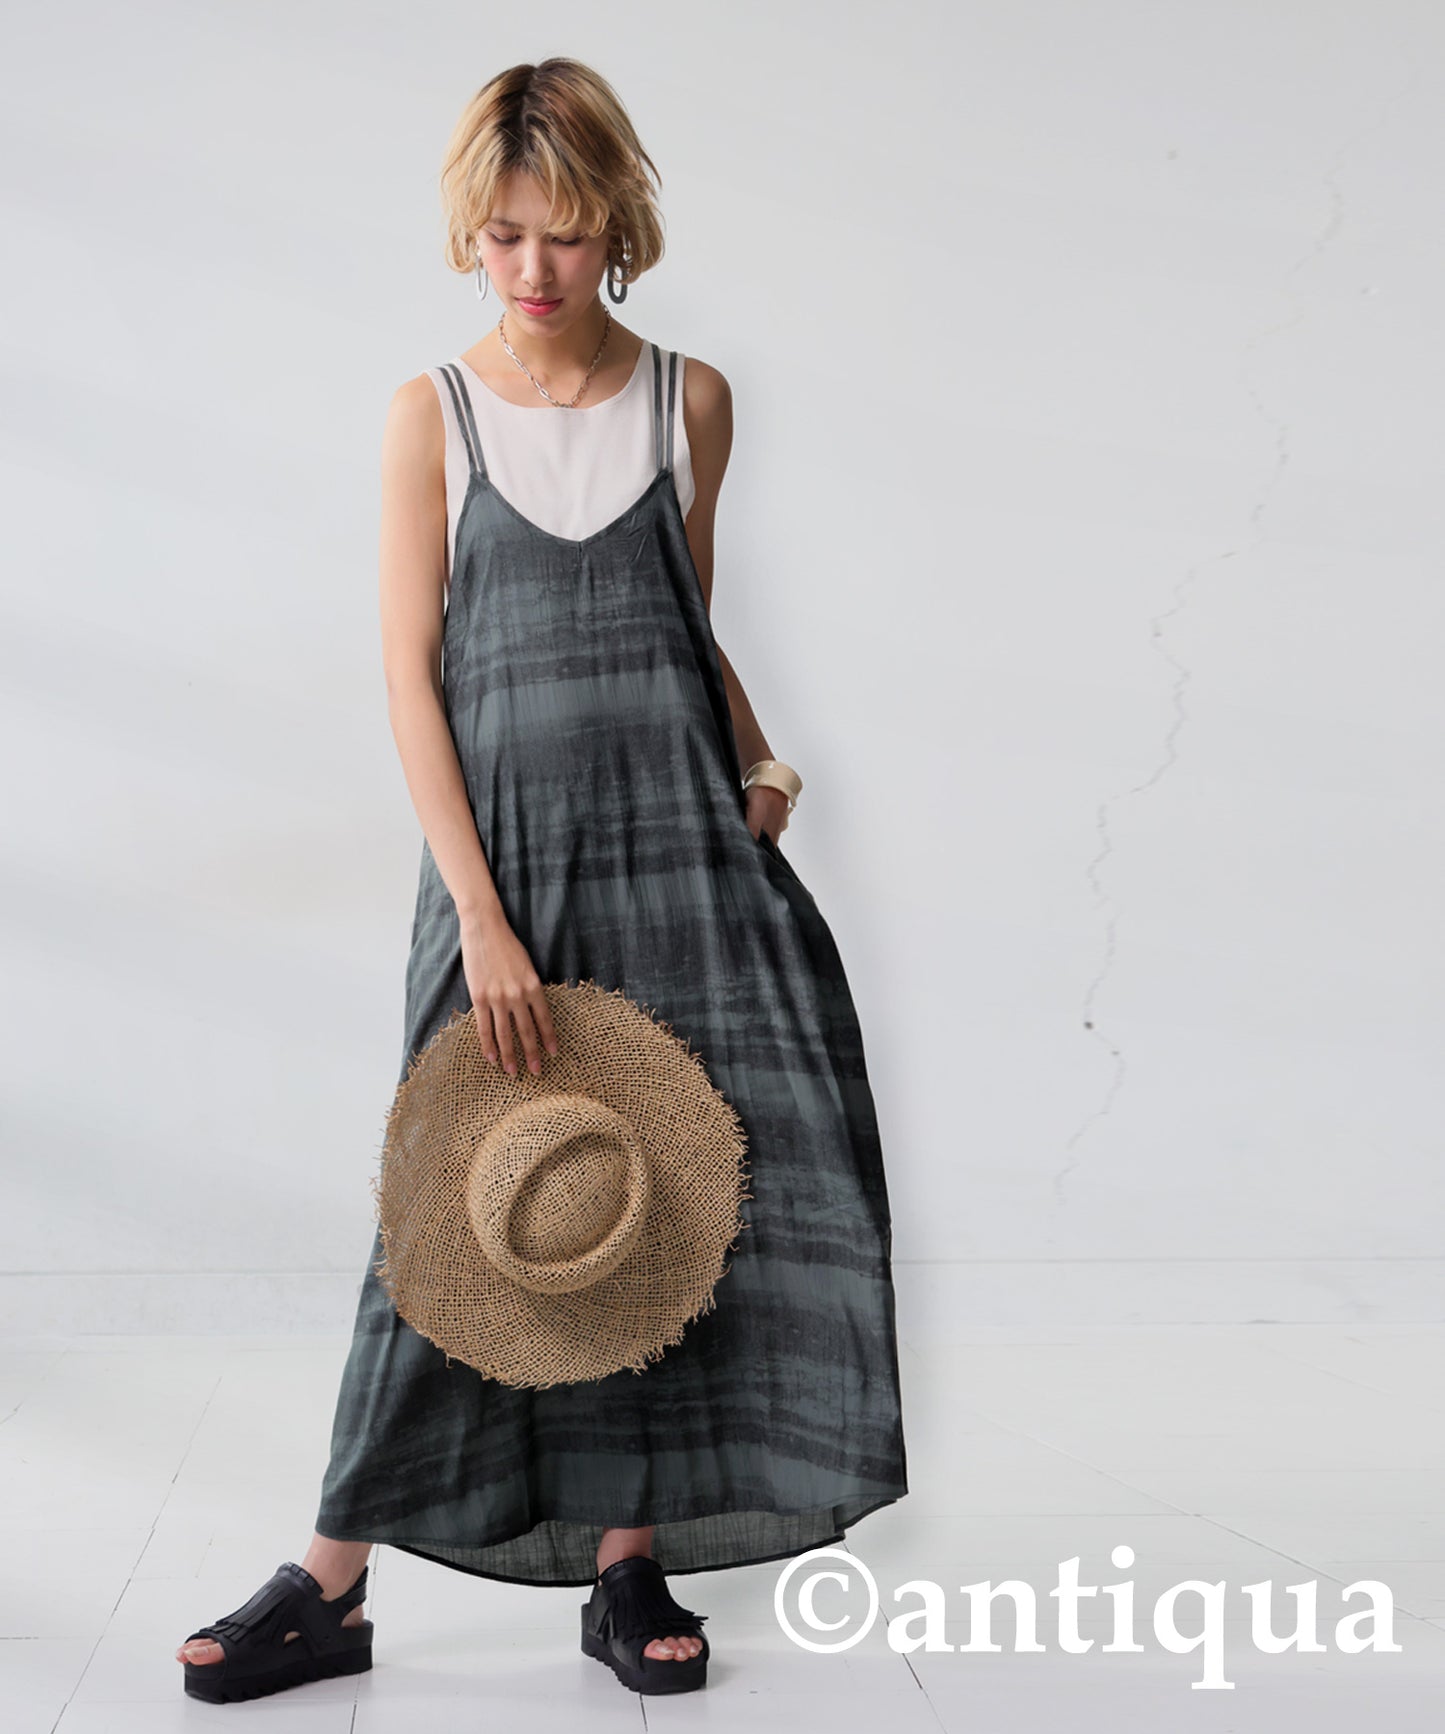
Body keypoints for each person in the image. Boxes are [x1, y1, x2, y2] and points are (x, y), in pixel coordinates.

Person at [176, 56, 907, 1703]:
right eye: (502, 233)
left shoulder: (689, 401)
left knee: (655, 1207)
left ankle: (625, 1563)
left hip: (680, 862)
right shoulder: (428, 414)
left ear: (617, 226)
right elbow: (408, 677)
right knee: (453, 1217)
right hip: (500, 874)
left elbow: (684, 625)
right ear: (468, 232)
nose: (529, 267)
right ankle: (329, 1580)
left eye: (562, 232)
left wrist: (766, 763)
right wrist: (483, 920)